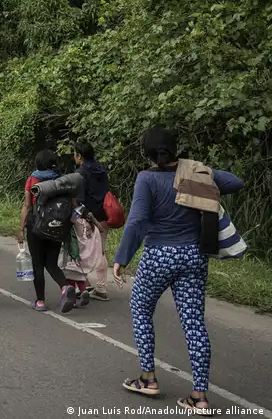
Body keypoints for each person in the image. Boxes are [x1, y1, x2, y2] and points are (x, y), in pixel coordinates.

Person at [114, 127, 243, 414]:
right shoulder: (193, 173)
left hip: (158, 255)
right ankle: (199, 396)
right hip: (194, 257)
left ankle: (147, 378)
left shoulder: (146, 179)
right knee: (194, 324)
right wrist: (199, 170)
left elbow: (136, 221)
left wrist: (121, 258)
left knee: (141, 310)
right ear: (176, 150)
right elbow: (236, 182)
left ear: (146, 154)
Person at [16, 150, 74, 313]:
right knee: (51, 263)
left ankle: (40, 301)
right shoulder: (61, 180)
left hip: (36, 226)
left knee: (38, 264)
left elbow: (27, 205)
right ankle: (65, 288)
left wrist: (21, 228)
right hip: (57, 226)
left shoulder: (32, 180)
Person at [74, 139, 112, 301]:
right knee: (100, 251)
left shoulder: (81, 173)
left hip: (88, 217)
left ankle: (84, 283)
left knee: (79, 251)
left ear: (79, 156)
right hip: (103, 214)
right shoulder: (101, 170)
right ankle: (101, 289)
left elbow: (79, 198)